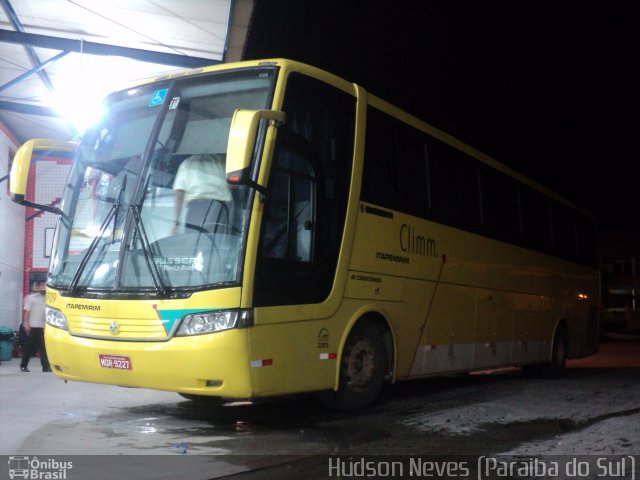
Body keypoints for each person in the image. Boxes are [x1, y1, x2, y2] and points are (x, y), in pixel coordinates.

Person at [172, 153, 232, 234]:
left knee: (194, 241)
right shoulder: (224, 161)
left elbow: (179, 194)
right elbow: (231, 187)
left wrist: (176, 223)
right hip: (221, 209)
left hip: (196, 209)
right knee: (219, 242)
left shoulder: (186, 164)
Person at [20, 286, 51, 372]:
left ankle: (44, 366)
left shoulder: (47, 299)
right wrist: (27, 325)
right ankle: (25, 365)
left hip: (42, 327)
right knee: (35, 348)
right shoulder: (32, 299)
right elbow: (27, 313)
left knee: (39, 347)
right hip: (33, 326)